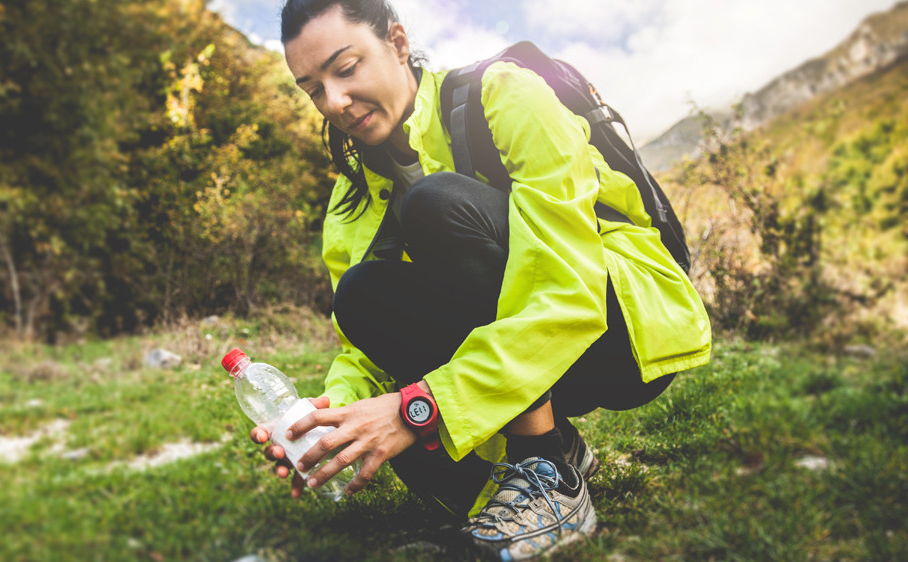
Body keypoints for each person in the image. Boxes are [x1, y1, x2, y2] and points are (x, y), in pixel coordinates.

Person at [250, 0, 712, 558]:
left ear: (397, 44)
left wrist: (422, 407)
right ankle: (563, 448)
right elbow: (365, 344)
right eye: (313, 89)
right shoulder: (352, 200)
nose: (335, 102)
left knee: (434, 204)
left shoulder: (506, 94)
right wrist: (327, 419)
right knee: (361, 294)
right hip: (536, 354)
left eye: (346, 69)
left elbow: (568, 286)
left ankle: (545, 467)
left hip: (620, 332)